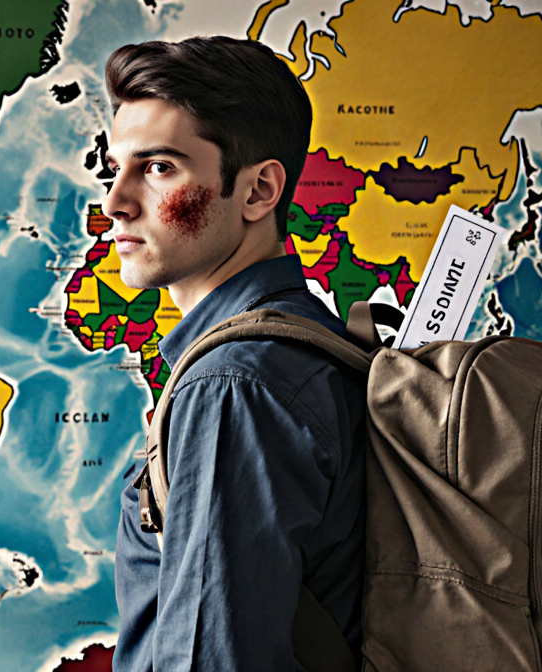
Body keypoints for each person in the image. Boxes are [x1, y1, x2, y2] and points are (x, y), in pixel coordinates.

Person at [103, 37, 368, 671]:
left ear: (257, 192)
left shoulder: (234, 387)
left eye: (160, 167)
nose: (115, 201)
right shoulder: (303, 343)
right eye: (115, 166)